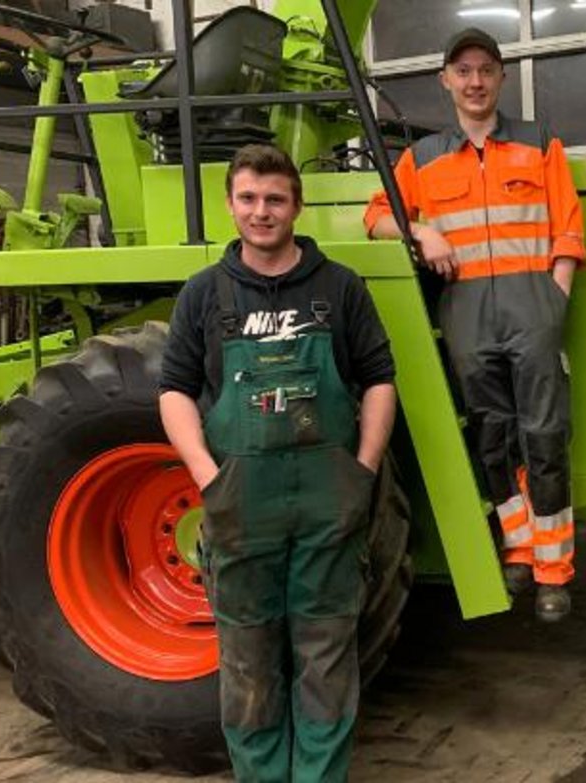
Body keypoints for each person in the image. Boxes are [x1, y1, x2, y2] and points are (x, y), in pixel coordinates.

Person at [159, 143, 397, 781]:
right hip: (243, 507)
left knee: (325, 658)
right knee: (248, 661)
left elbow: (379, 378)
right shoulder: (204, 295)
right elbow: (175, 390)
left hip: (328, 504)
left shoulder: (340, 288)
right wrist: (211, 479)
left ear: (296, 205)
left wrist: (363, 472)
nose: (261, 212)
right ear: (231, 204)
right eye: (248, 198)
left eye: (275, 199)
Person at [364, 27, 585, 622]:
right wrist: (420, 230)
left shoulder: (540, 144)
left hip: (531, 307)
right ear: (446, 81)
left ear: (501, 77)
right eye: (463, 70)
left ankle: (554, 569)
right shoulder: (423, 158)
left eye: (485, 69)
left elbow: (567, 227)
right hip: (465, 309)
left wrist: (552, 300)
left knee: (543, 436)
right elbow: (376, 216)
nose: (475, 81)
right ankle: (518, 548)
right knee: (493, 433)